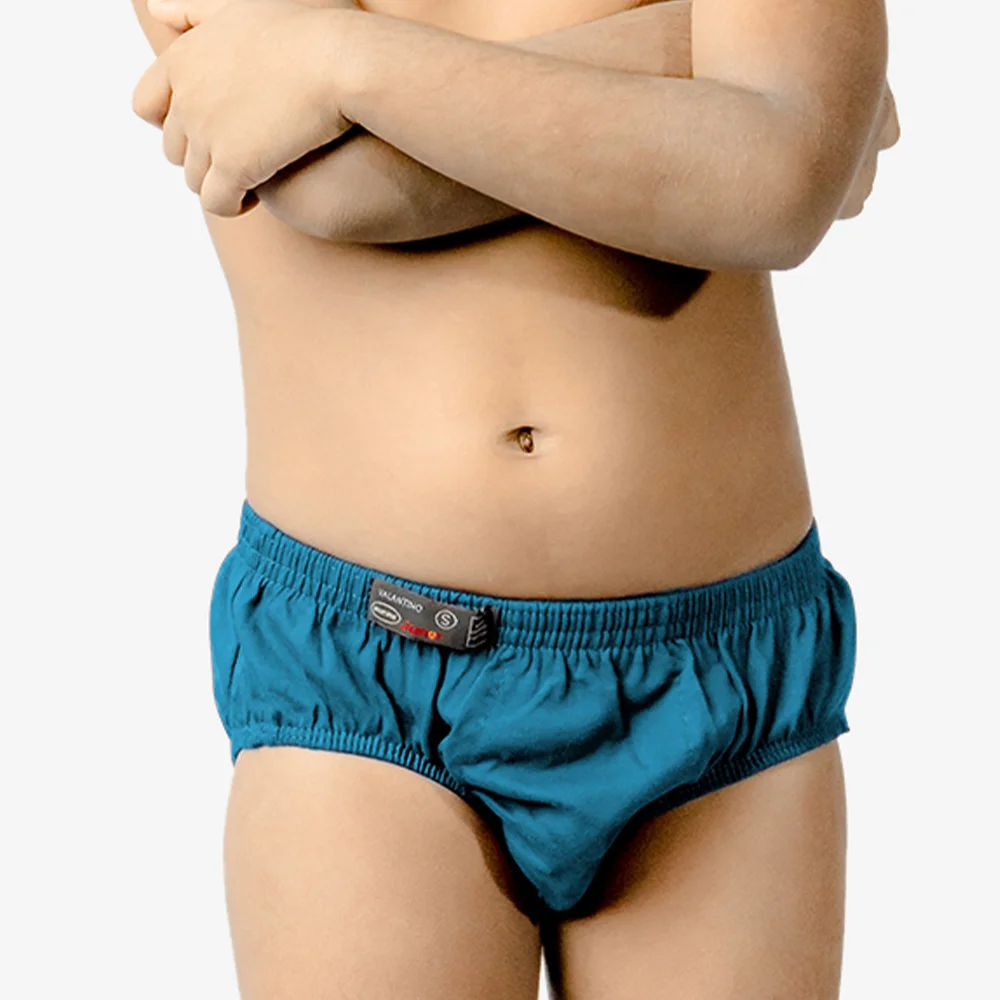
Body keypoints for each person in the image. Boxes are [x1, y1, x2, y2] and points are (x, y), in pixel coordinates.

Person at [129, 0, 899, 996]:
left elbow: (776, 186)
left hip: (719, 679)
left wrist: (340, 57)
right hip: (372, 676)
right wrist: (698, 78)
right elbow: (328, 181)